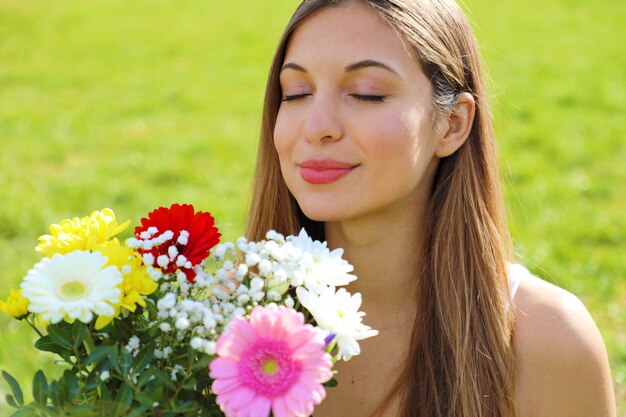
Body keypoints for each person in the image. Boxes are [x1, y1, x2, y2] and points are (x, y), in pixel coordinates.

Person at [245, 0, 616, 416]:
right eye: (297, 93)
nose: (316, 127)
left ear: (453, 124)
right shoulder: (224, 328)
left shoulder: (547, 341)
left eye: (367, 94)